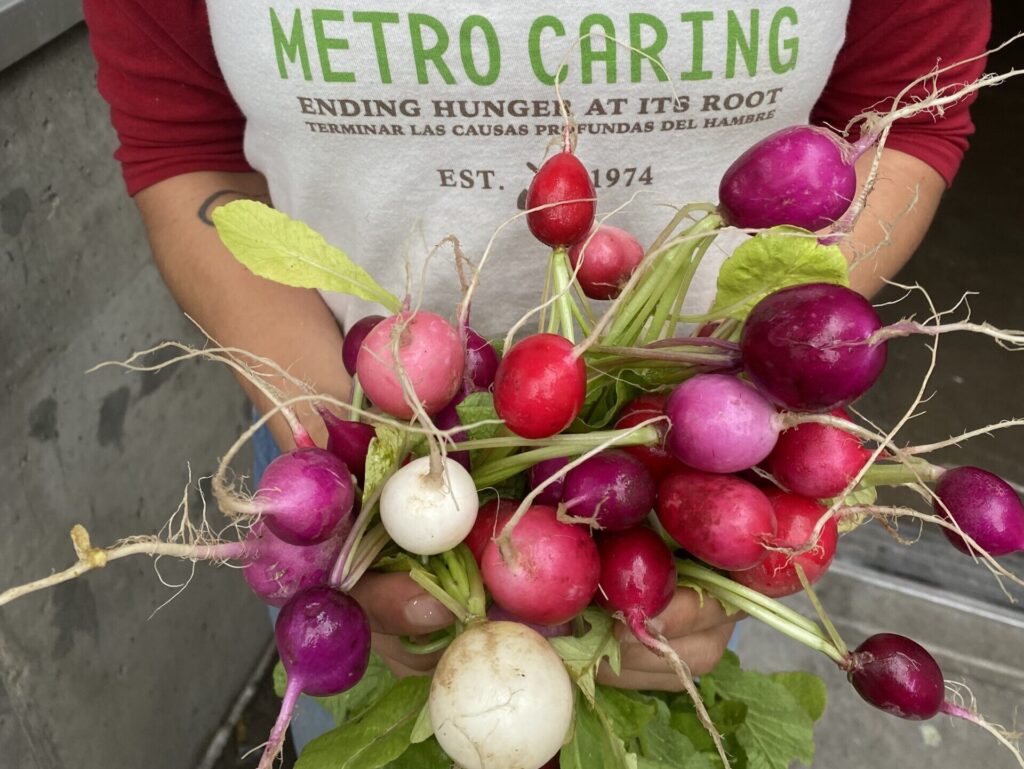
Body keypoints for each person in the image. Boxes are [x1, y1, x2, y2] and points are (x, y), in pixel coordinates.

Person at [82, 0, 990, 737]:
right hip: (353, 451)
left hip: (699, 468)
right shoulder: (350, 471)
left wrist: (736, 421)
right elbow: (183, 148)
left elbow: (911, 110)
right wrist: (352, 470)